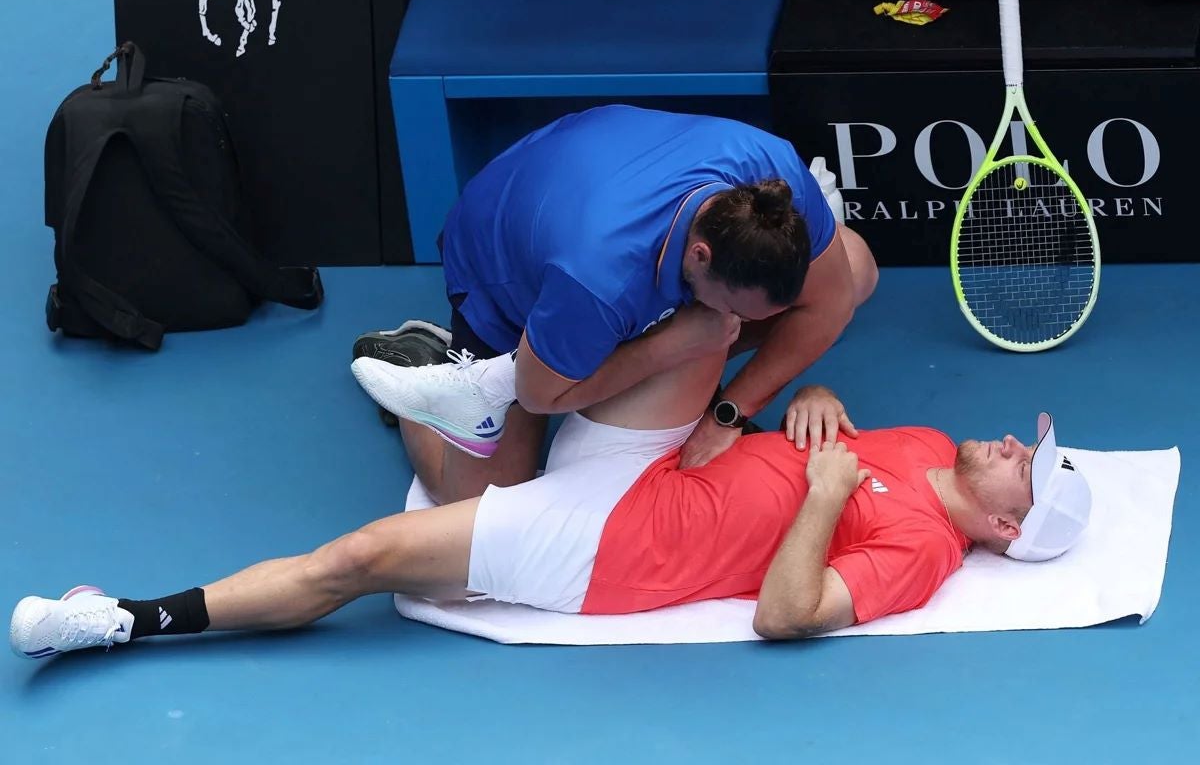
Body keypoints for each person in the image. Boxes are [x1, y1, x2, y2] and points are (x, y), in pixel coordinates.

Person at [10, 348, 1090, 660]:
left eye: (1023, 472)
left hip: (618, 546)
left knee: (365, 556)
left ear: (1003, 528)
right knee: (690, 319)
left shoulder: (922, 554)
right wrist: (807, 396)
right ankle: (456, 384)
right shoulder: (923, 447)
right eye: (1027, 446)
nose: (1009, 444)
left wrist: (820, 495)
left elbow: (787, 614)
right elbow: (825, 430)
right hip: (670, 457)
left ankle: (122, 619)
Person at [352, 104, 879, 504]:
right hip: (503, 270)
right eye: (734, 310)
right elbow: (540, 395)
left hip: (589, 176)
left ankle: (688, 347)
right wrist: (668, 348)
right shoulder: (594, 279)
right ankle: (425, 371)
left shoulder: (773, 176)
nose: (741, 325)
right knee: (482, 501)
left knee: (853, 270)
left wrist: (728, 413)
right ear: (700, 256)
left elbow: (828, 302)